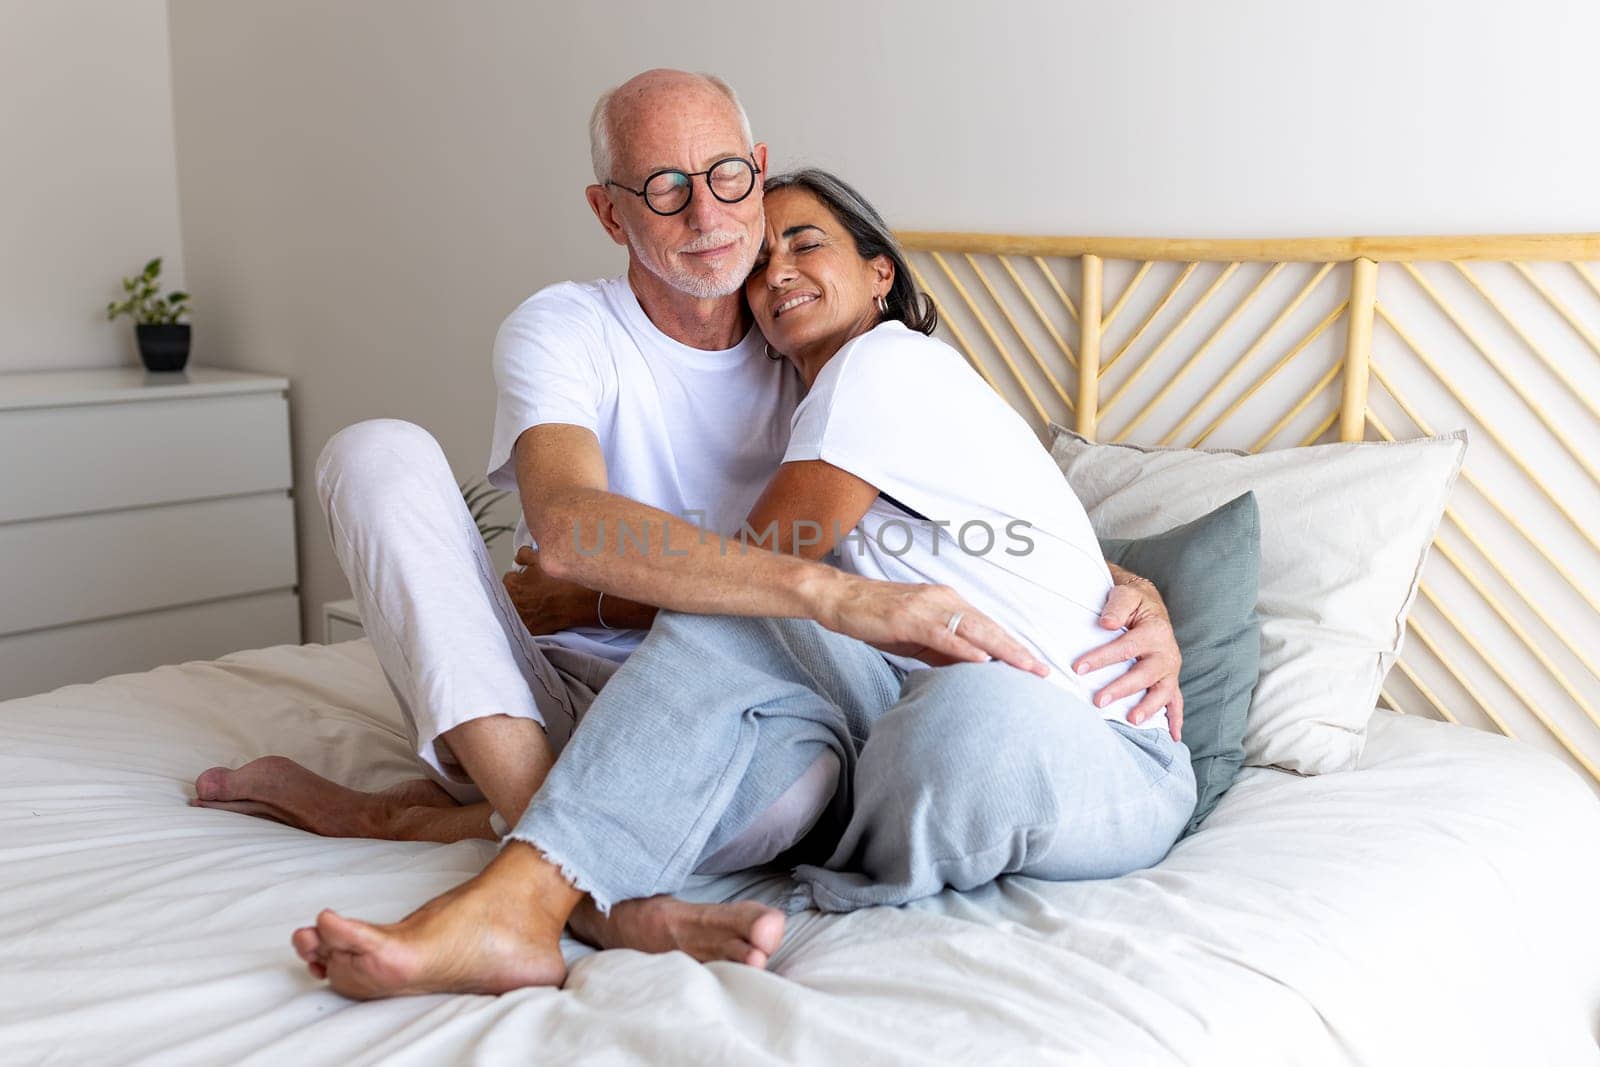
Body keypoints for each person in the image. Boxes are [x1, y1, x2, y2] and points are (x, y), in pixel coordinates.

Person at [194, 68, 1182, 970]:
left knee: (741, 616)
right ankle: (581, 896)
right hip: (564, 691)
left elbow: (1016, 529)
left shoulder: (857, 365)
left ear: (758, 179)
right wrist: (821, 591)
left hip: (761, 725)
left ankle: (467, 842)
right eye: (665, 186)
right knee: (374, 454)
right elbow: (575, 521)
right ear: (610, 212)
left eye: (727, 179)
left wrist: (1139, 593)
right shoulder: (577, 328)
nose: (712, 217)